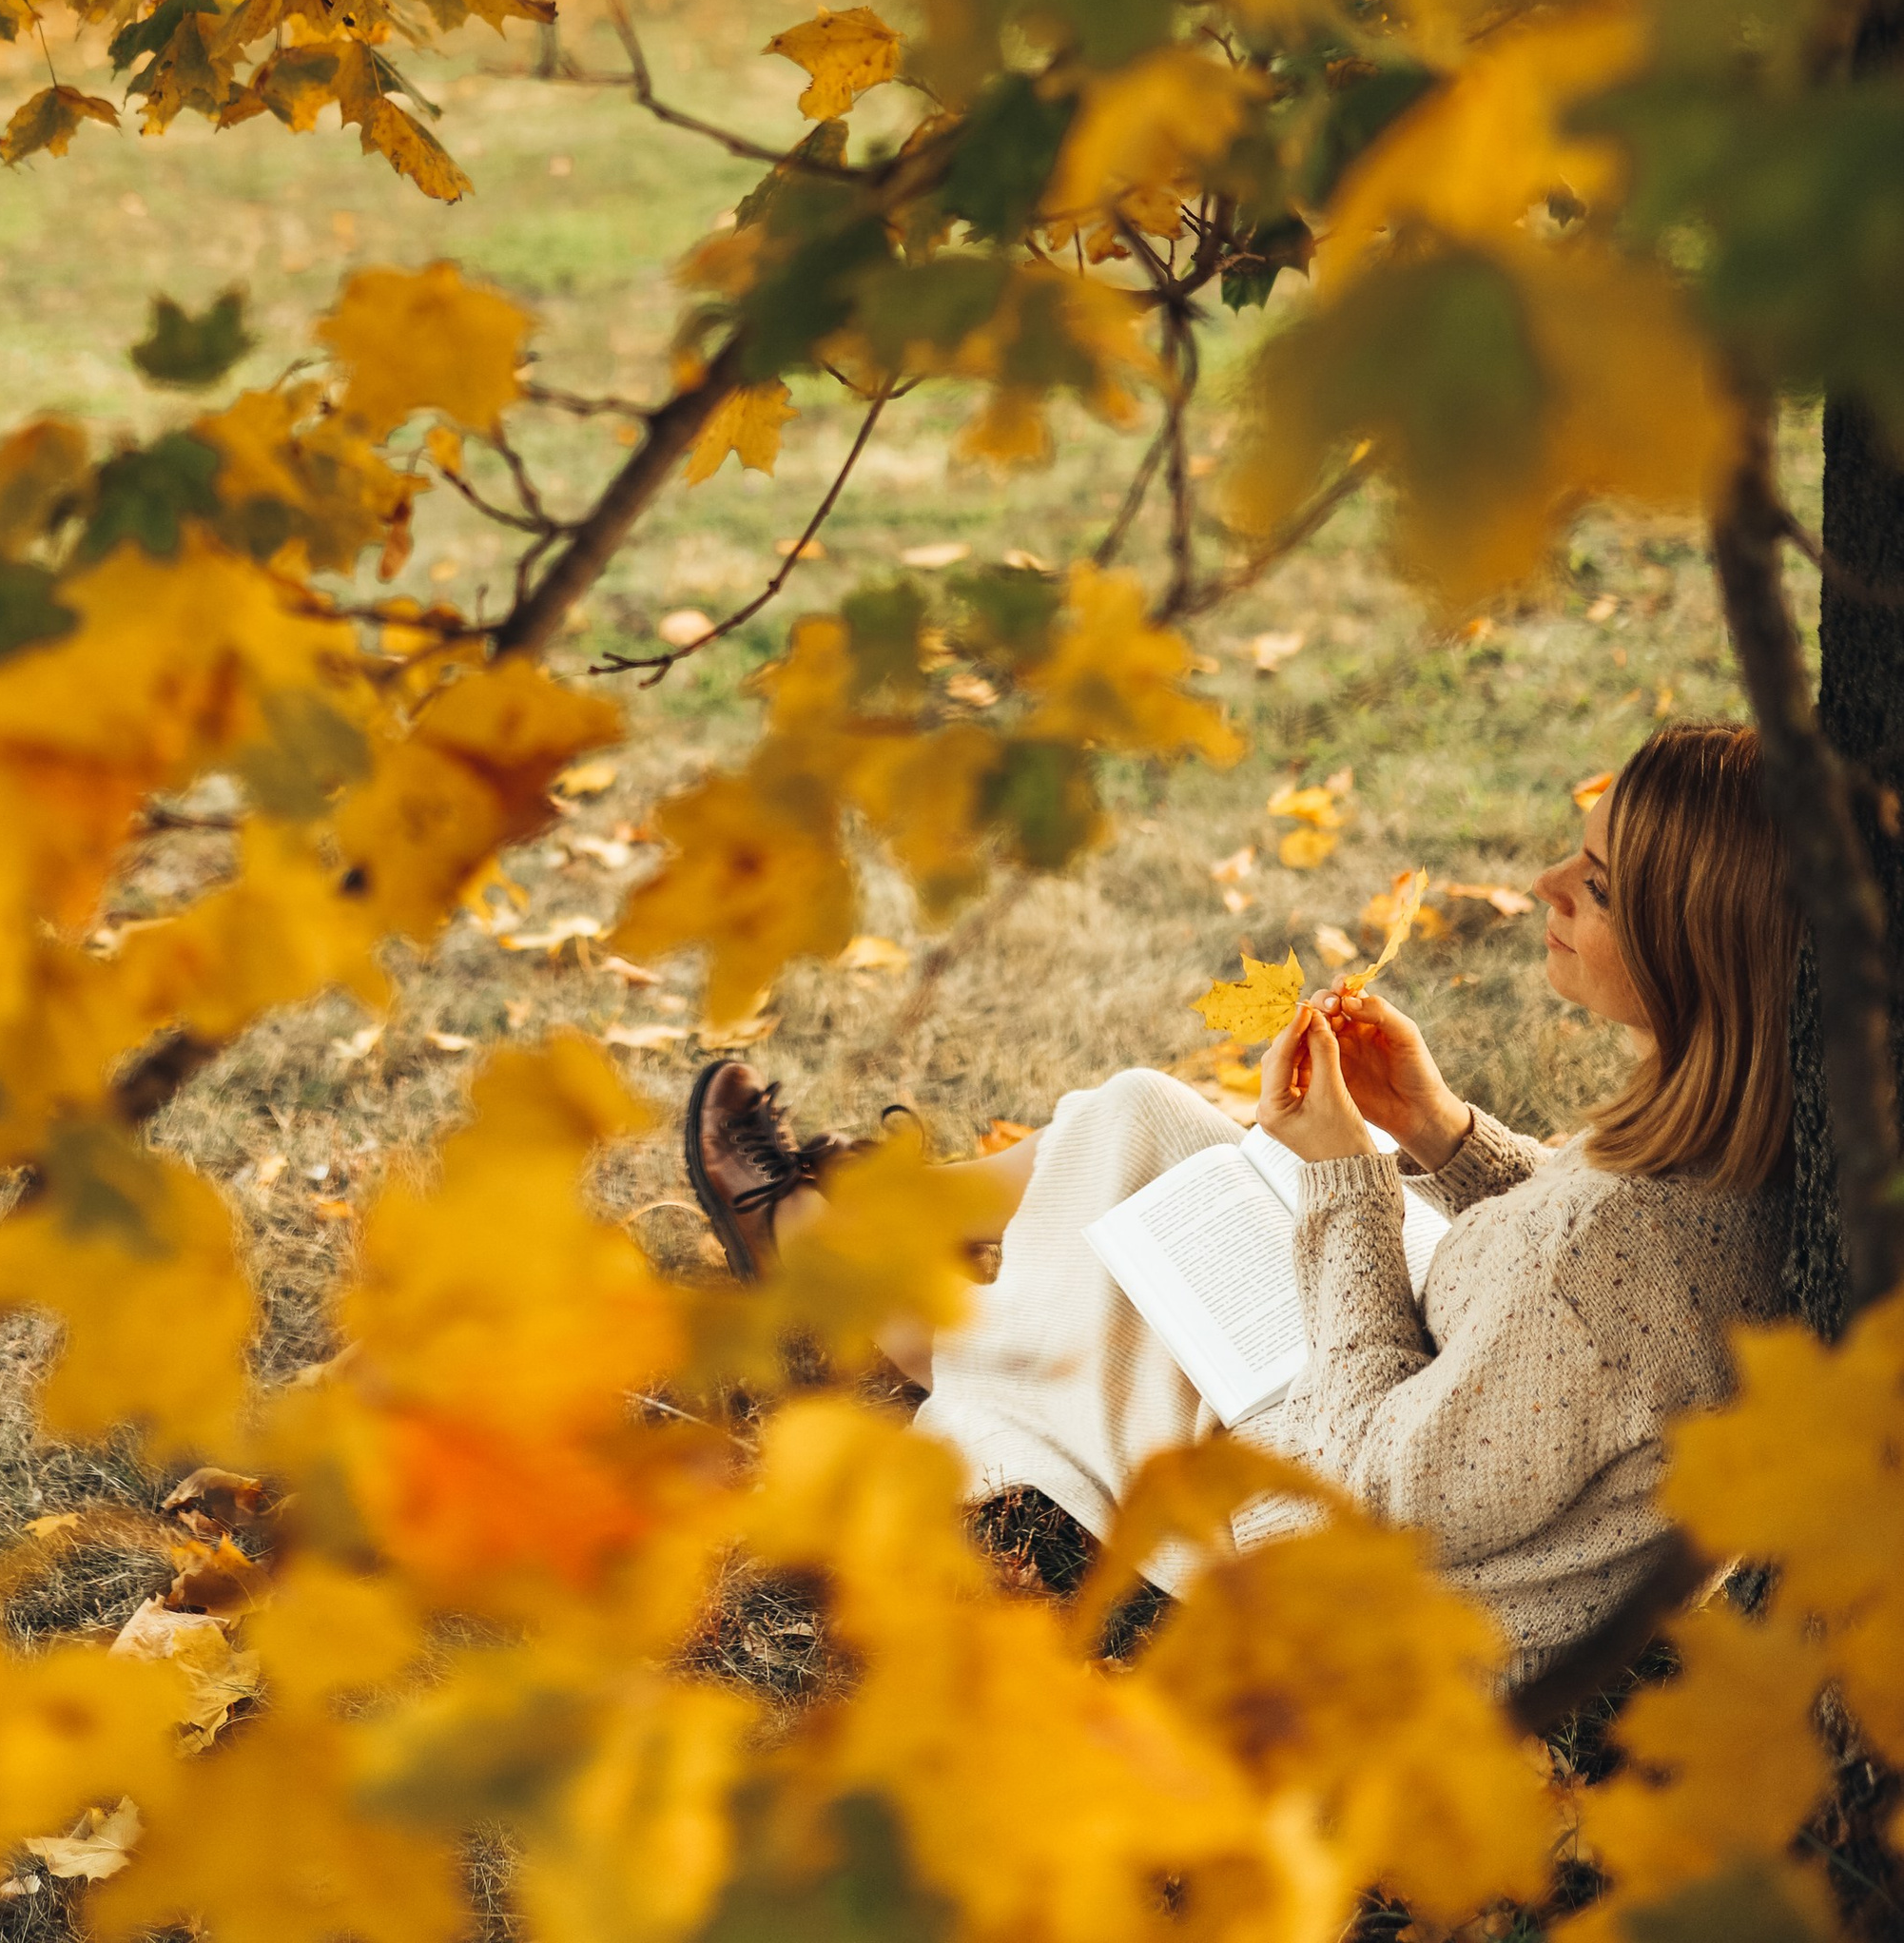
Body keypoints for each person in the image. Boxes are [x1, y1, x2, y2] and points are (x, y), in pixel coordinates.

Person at [683, 719, 1794, 1678]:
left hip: (1340, 1555)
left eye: (1593, 887)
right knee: (1145, 1119)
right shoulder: (1721, 1145)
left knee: (1112, 1289)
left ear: (1689, 951)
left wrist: (1347, 1179)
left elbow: (1378, 1485)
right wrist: (1436, 1129)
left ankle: (833, 1268)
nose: (1546, 884)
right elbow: (1575, 1273)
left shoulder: (1612, 1254)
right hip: (1460, 1421)